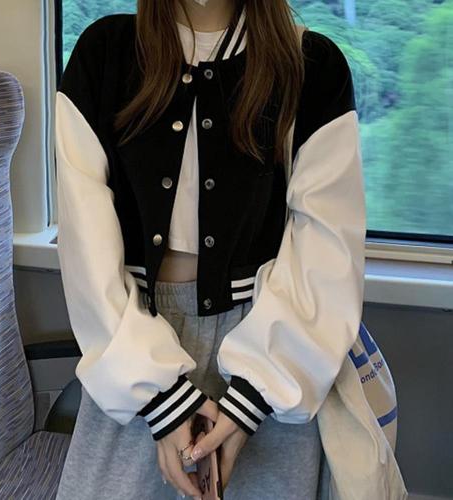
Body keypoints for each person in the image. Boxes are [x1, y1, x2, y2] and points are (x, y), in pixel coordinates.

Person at [54, 1, 404, 499]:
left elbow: (326, 253)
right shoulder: (103, 54)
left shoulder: (312, 68)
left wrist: (249, 403)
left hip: (272, 348)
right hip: (131, 347)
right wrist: (162, 401)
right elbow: (85, 250)